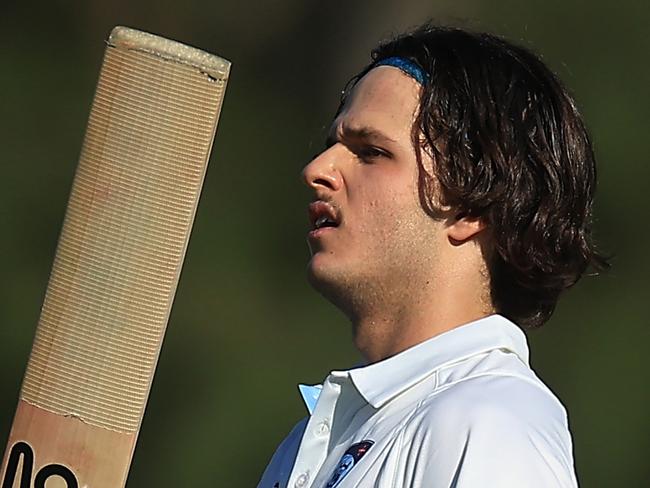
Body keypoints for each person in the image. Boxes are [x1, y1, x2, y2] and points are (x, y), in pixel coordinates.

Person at [257, 23, 607, 488]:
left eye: (371, 152)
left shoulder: (489, 423)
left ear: (472, 202)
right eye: (331, 146)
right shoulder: (312, 441)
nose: (317, 170)